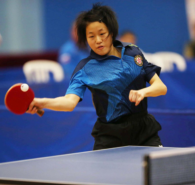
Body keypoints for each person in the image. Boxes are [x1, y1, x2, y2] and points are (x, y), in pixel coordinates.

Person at [27, 3, 167, 150]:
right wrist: (42, 102)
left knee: (157, 171)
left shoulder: (133, 53)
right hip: (110, 136)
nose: (98, 40)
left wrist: (143, 92)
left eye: (102, 34)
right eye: (91, 36)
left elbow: (161, 87)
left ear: (111, 32)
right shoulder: (85, 68)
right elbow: (69, 102)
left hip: (144, 132)